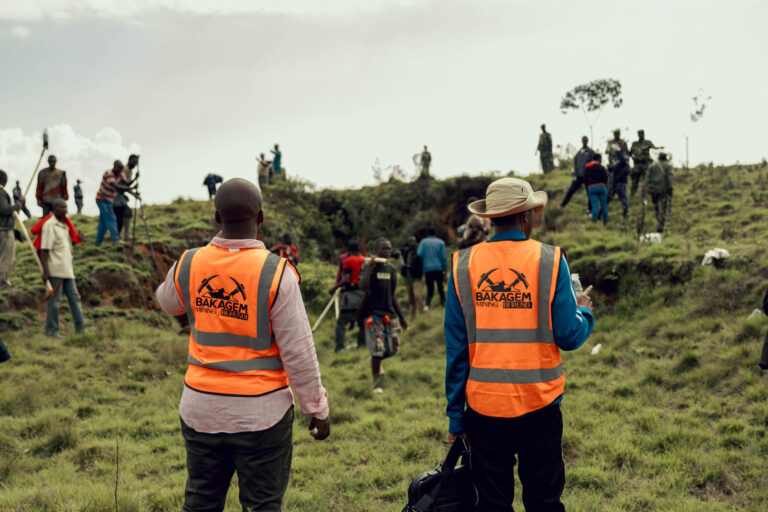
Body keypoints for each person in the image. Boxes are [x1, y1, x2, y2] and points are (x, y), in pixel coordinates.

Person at [154, 178, 330, 511]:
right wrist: (316, 408)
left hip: (200, 411)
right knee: (262, 505)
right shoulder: (278, 273)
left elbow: (167, 302)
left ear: (217, 218)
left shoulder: (189, 263)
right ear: (260, 218)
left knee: (201, 501)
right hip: (262, 417)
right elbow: (299, 352)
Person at [445, 177, 594, 511]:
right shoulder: (551, 260)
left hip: (483, 409)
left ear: (491, 218)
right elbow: (570, 336)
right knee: (544, 500)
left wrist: (456, 417)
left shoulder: (462, 265)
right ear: (528, 216)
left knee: (493, 503)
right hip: (539, 406)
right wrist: (584, 311)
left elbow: (456, 348)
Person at [360, 237, 408, 392]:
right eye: (383, 248)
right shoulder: (369, 266)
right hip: (373, 314)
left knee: (394, 348)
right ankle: (376, 384)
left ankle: (374, 359)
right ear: (377, 250)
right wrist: (370, 267)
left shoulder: (391, 269)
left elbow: (393, 294)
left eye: (389, 248)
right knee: (377, 349)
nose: (387, 251)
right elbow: (363, 286)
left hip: (389, 314)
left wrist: (401, 317)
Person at [40, 198, 86, 337]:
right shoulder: (49, 225)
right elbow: (44, 250)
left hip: (67, 269)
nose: (65, 210)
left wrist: (78, 239)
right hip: (55, 270)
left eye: (66, 207)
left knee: (75, 298)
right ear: (54, 210)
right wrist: (45, 271)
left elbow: (65, 247)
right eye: (62, 207)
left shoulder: (65, 226)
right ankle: (51, 331)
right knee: (54, 301)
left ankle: (81, 330)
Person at [329, 240, 366, 351]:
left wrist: (334, 288)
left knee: (341, 322)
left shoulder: (348, 261)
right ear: (359, 250)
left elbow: (346, 278)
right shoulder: (364, 260)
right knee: (361, 321)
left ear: (348, 251)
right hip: (362, 294)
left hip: (350, 294)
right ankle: (362, 345)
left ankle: (340, 347)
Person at [95, 160, 134, 246]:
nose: (120, 171)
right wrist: (128, 188)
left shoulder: (120, 174)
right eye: (119, 169)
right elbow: (116, 186)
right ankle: (115, 239)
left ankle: (98, 242)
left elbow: (126, 183)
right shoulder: (108, 173)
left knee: (103, 222)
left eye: (121, 169)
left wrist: (135, 180)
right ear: (114, 167)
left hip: (108, 200)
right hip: (102, 199)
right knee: (111, 218)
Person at [560, 136, 594, 214]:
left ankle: (589, 210)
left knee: (589, 193)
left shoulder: (591, 152)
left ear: (587, 141)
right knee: (570, 191)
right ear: (581, 141)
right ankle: (562, 206)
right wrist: (574, 171)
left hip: (587, 176)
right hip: (578, 176)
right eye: (583, 140)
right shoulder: (579, 152)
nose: (584, 141)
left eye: (586, 140)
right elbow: (575, 164)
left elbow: (593, 163)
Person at [0, 170, 22, 288]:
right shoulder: (1, 192)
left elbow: (10, 212)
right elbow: (4, 210)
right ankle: (3, 282)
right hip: (3, 230)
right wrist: (18, 205)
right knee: (6, 258)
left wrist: (18, 206)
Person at [417, 227, 447, 309]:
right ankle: (443, 304)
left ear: (427, 234)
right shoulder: (441, 242)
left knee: (430, 289)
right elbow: (443, 257)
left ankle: (427, 305)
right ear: (435, 233)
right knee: (440, 287)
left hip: (427, 269)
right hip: (438, 268)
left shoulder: (423, 242)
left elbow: (419, 254)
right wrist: (444, 269)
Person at [644, 152, 674, 233]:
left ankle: (659, 220)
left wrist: (646, 189)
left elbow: (647, 179)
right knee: (663, 207)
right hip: (662, 190)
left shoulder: (652, 166)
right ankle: (660, 223)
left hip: (653, 190)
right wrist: (670, 188)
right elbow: (670, 178)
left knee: (656, 205)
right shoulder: (668, 166)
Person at [630, 129, 661, 197]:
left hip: (645, 164)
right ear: (638, 135)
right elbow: (630, 153)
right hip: (637, 164)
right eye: (639, 134)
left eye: (642, 134)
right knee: (635, 181)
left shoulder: (648, 142)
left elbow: (654, 147)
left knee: (646, 181)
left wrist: (660, 148)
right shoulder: (634, 144)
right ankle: (632, 194)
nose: (641, 135)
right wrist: (633, 157)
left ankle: (644, 195)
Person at [399, 236, 424, 320]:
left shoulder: (418, 251)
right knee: (411, 299)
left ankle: (422, 313)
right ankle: (413, 317)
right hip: (407, 277)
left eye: (413, 241)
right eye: (410, 241)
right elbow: (396, 254)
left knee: (417, 295)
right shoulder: (405, 251)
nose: (412, 242)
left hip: (416, 276)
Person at [584, 154, 609, 224]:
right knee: (604, 205)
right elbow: (606, 178)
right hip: (602, 187)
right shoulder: (601, 167)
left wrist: (588, 187)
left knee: (594, 206)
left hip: (592, 188)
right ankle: (605, 221)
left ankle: (594, 221)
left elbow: (585, 179)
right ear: (599, 159)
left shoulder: (587, 168)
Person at [607, 149, 630, 217]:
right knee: (608, 198)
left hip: (621, 183)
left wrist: (617, 151)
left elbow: (623, 160)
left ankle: (625, 213)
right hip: (614, 184)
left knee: (623, 199)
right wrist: (609, 168)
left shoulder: (623, 162)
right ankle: (600, 213)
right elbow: (612, 170)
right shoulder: (616, 163)